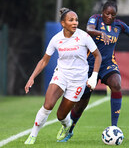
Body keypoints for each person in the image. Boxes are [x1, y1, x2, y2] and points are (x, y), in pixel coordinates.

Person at [57, 1, 129, 142]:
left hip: (108, 64)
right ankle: (69, 130)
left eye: (113, 15)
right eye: (107, 13)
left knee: (116, 84)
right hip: (89, 65)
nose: (109, 17)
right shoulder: (96, 19)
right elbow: (89, 29)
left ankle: (114, 128)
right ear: (102, 12)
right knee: (81, 103)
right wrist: (100, 33)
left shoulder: (119, 25)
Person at [24, 7, 102, 144]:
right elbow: (44, 60)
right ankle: (32, 135)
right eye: (71, 20)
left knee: (61, 115)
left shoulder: (84, 36)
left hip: (78, 80)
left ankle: (66, 125)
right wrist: (32, 77)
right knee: (47, 105)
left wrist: (94, 76)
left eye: (76, 20)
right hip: (61, 75)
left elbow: (98, 56)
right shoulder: (56, 39)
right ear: (63, 23)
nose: (75, 23)